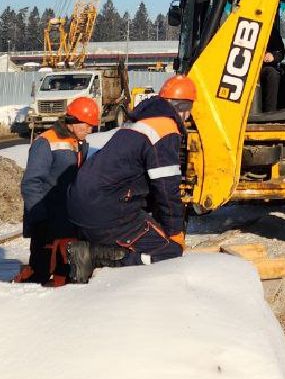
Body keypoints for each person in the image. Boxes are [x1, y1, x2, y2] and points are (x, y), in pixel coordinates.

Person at [65, 76, 194, 283]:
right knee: (169, 251)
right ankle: (94, 257)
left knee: (147, 232)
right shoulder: (166, 128)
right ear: (184, 108)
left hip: (80, 205)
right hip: (107, 210)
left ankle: (93, 252)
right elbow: (167, 190)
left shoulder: (137, 123)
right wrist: (176, 231)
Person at [17, 94, 97, 286]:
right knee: (41, 274)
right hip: (47, 222)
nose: (89, 130)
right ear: (71, 121)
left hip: (70, 221)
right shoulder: (45, 142)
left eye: (92, 126)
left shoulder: (80, 144)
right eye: (85, 125)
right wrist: (40, 217)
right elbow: (31, 183)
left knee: (67, 274)